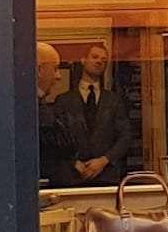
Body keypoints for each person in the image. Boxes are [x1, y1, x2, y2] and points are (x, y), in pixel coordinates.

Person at [52, 41, 131, 187]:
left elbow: (125, 137)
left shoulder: (114, 100)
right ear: (83, 60)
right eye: (95, 57)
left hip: (106, 177)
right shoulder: (64, 100)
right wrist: (73, 162)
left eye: (104, 60)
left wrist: (104, 160)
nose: (99, 61)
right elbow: (55, 138)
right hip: (72, 177)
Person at [36, 41, 75, 188]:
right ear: (39, 70)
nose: (58, 76)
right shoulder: (33, 111)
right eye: (55, 68)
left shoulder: (41, 107)